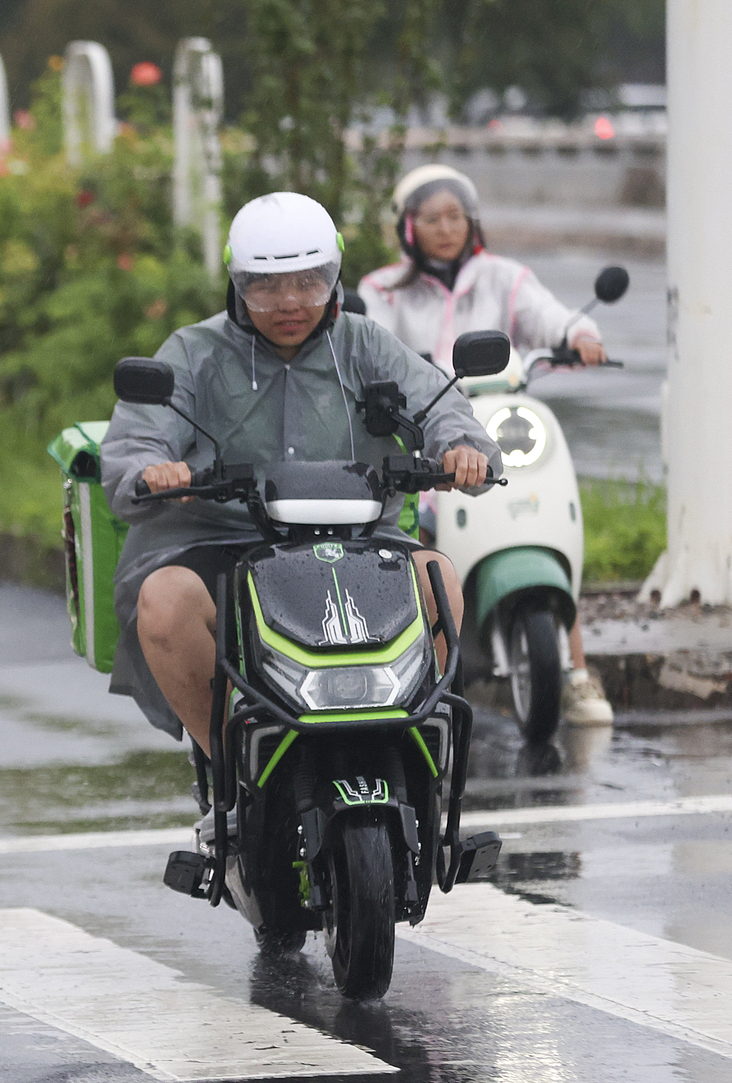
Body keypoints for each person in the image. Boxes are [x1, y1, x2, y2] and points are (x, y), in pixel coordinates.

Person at [101, 192, 502, 756]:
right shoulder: (193, 352)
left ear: (335, 276)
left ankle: (412, 744)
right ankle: (229, 764)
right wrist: (150, 471)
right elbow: (136, 443)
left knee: (439, 579)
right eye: (265, 285)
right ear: (237, 282)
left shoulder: (366, 345)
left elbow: (440, 407)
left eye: (309, 281)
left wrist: (460, 447)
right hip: (221, 540)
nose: (289, 302)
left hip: (357, 540)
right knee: (164, 603)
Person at [357, 164, 614, 726]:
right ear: (407, 227)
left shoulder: (504, 278)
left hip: (501, 423)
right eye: (431, 218)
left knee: (550, 521)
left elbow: (546, 317)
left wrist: (580, 336)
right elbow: (367, 345)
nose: (445, 229)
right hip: (425, 430)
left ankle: (575, 673)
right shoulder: (380, 291)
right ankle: (419, 666)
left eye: (456, 217)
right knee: (417, 527)